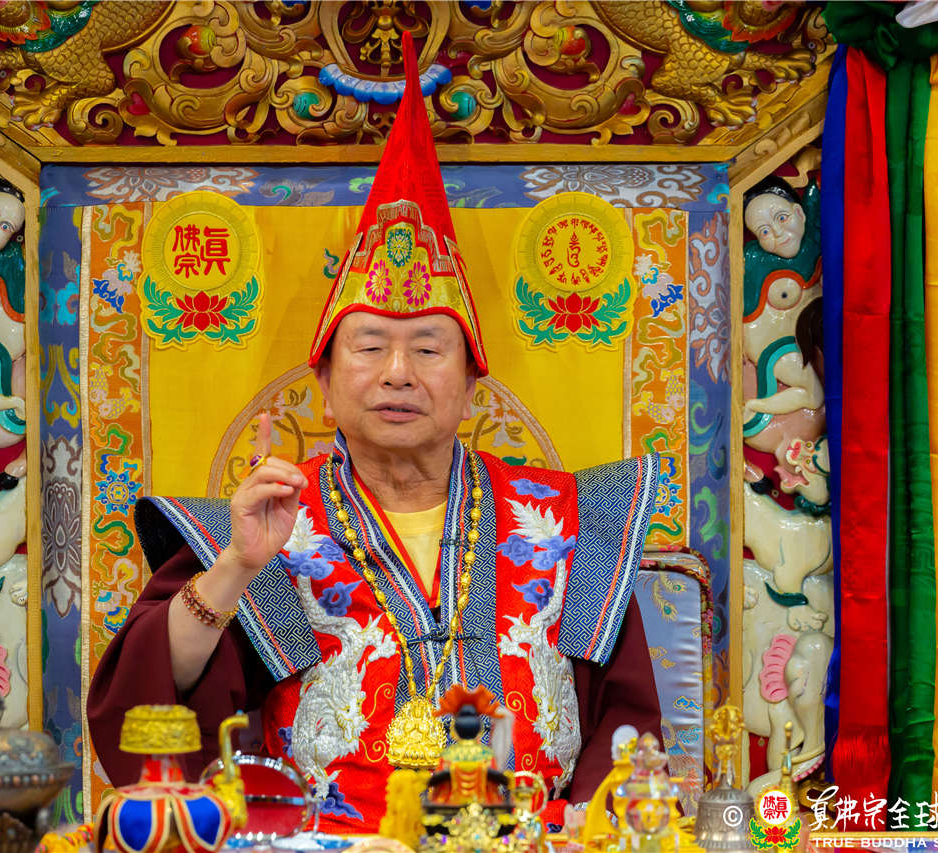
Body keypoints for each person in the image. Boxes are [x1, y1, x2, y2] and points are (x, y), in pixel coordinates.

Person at [87, 32, 663, 834]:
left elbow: (628, 732)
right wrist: (236, 568)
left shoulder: (565, 519)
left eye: (428, 348)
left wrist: (580, 834)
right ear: (324, 384)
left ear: (471, 385)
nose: (398, 372)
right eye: (368, 347)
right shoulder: (263, 524)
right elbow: (143, 718)